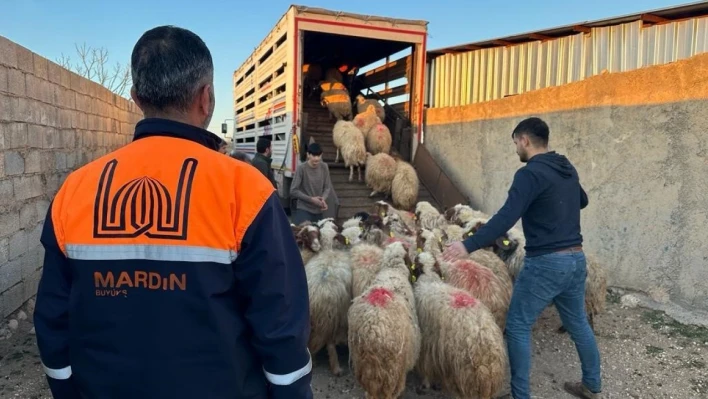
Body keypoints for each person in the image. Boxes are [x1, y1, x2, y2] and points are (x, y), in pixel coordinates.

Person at [33, 25, 313, 399]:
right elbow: (281, 326)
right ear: (206, 97)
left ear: (136, 97)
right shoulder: (246, 191)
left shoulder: (76, 190)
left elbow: (52, 319)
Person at [442, 117, 602, 399]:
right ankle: (592, 385)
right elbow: (583, 201)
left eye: (516, 142)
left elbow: (506, 216)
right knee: (577, 322)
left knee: (516, 325)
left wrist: (468, 245)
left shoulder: (530, 174)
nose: (516, 148)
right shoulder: (565, 167)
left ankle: (520, 396)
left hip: (546, 262)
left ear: (524, 140)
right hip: (576, 260)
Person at [289, 142, 333, 225]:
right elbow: (293, 190)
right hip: (304, 209)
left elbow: (327, 187)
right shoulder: (301, 168)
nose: (316, 158)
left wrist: (323, 199)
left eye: (319, 156)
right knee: (304, 234)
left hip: (319, 210)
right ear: (308, 155)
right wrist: (311, 200)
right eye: (314, 155)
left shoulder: (324, 167)